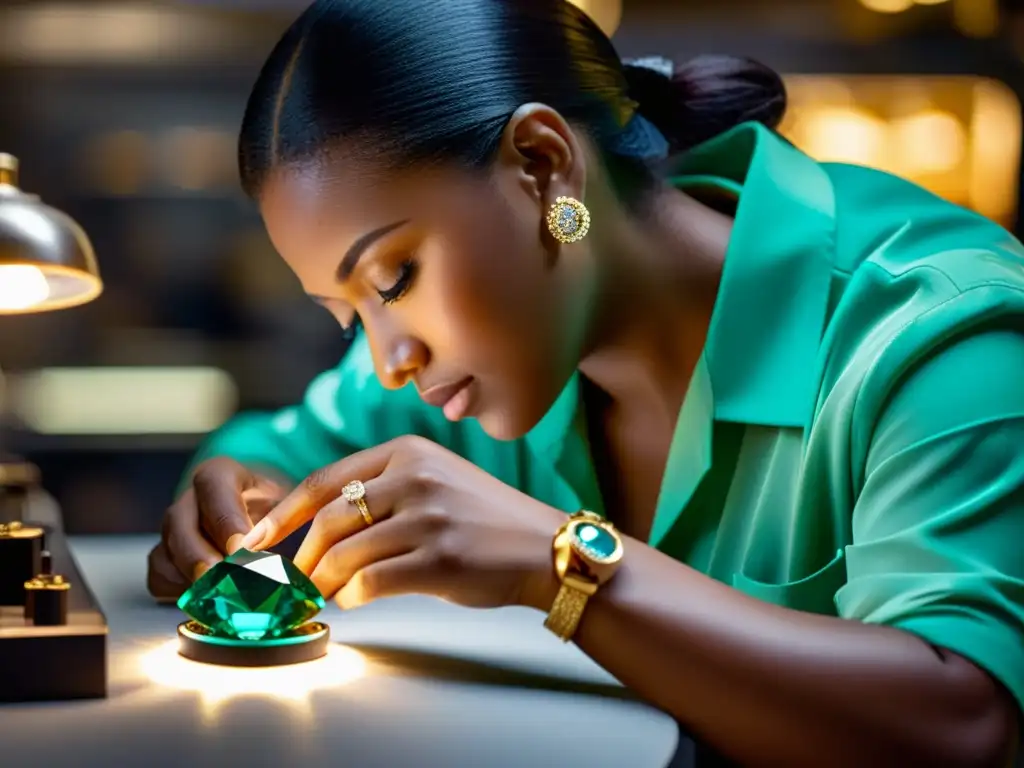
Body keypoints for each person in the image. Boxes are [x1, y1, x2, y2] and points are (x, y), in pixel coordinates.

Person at [146, 0, 1023, 764]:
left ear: (541, 164)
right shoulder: (486, 355)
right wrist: (232, 500)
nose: (387, 360)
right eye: (348, 315)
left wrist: (557, 562)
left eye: (392, 280)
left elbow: (961, 726)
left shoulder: (943, 329)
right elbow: (269, 450)